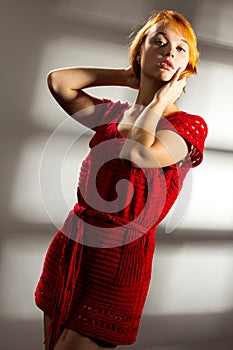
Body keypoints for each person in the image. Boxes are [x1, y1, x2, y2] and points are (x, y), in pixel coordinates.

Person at [35, 9, 208, 350]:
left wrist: (158, 100)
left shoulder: (188, 126)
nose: (169, 52)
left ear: (186, 67)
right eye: (159, 42)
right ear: (140, 51)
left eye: (180, 48)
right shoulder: (113, 114)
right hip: (73, 246)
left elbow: (137, 153)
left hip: (120, 262)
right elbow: (59, 82)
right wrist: (130, 75)